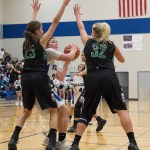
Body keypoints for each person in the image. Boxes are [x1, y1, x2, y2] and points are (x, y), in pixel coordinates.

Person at [7, 0, 76, 150]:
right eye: (42, 29)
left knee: (26, 111)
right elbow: (55, 22)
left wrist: (35, 12)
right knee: (53, 111)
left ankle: (13, 139)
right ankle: (52, 142)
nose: (43, 31)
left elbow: (31, 26)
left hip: (25, 78)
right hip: (39, 77)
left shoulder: (25, 43)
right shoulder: (42, 43)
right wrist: (63, 5)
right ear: (37, 31)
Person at [70, 4, 139, 150]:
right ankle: (132, 142)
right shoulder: (111, 44)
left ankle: (75, 144)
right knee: (122, 110)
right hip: (109, 75)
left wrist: (77, 15)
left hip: (93, 77)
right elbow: (122, 60)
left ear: (94, 33)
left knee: (87, 111)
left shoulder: (87, 42)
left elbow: (81, 28)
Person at [41, 37, 79, 150]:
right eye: (53, 41)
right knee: (64, 112)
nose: (56, 43)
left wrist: (67, 62)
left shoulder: (54, 58)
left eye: (56, 41)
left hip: (48, 88)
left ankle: (48, 138)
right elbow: (68, 56)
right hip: (44, 87)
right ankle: (61, 142)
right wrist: (73, 50)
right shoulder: (46, 53)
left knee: (59, 113)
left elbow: (61, 77)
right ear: (47, 45)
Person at [67, 56, 106, 133]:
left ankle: (75, 126)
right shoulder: (93, 65)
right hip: (91, 89)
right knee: (86, 108)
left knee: (78, 106)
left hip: (88, 90)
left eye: (83, 55)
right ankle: (100, 120)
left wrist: (78, 74)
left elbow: (86, 72)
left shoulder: (89, 65)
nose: (82, 56)